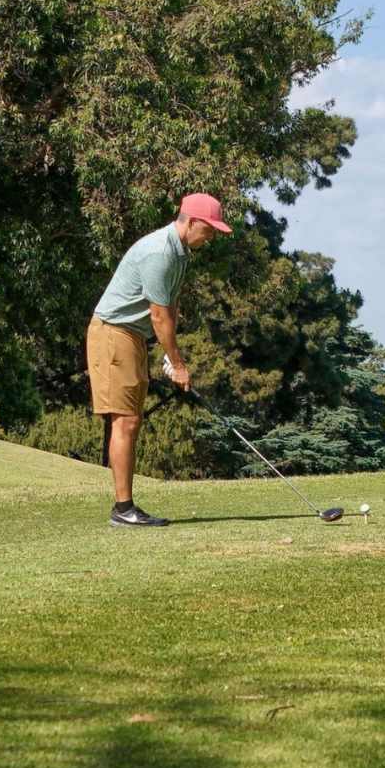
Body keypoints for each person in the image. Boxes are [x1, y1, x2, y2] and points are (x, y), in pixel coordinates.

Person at [87, 193, 231, 527]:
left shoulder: (181, 254)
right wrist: (177, 363)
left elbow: (170, 306)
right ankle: (123, 510)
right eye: (209, 230)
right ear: (192, 222)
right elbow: (157, 316)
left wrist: (168, 354)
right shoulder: (160, 252)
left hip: (132, 336)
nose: (210, 238)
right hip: (113, 333)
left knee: (132, 421)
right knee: (126, 421)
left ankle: (125, 508)